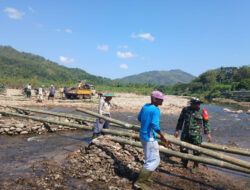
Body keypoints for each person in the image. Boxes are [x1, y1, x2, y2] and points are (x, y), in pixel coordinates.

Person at [134, 91, 168, 190]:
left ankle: (145, 178)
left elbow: (139, 118)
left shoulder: (145, 106)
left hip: (142, 135)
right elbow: (154, 125)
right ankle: (139, 182)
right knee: (155, 160)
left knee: (149, 158)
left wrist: (145, 123)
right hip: (150, 137)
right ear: (154, 99)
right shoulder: (156, 110)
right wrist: (162, 135)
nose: (162, 101)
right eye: (160, 99)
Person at [174, 97, 212, 173]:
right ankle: (184, 163)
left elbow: (206, 122)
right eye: (196, 103)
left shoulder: (203, 111)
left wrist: (208, 133)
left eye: (199, 104)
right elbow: (180, 120)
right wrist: (177, 130)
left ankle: (195, 166)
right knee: (183, 149)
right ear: (192, 103)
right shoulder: (185, 110)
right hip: (185, 133)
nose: (198, 105)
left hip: (196, 135)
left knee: (196, 151)